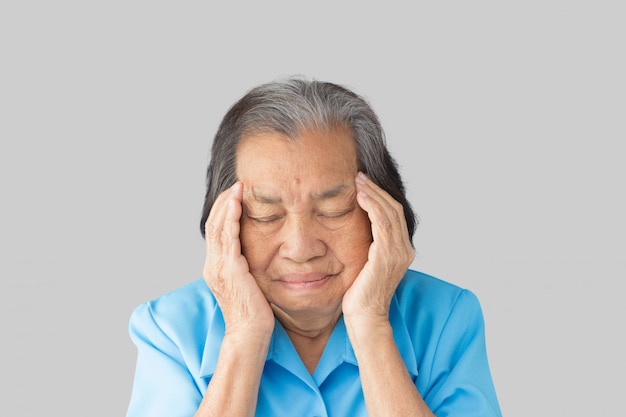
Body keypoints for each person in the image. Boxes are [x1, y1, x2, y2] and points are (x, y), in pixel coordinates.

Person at [126, 77, 502, 417]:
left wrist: (371, 325)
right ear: (225, 223)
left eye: (333, 210)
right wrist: (244, 336)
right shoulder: (168, 330)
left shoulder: (447, 316)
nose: (301, 248)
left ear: (383, 213)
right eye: (267, 215)